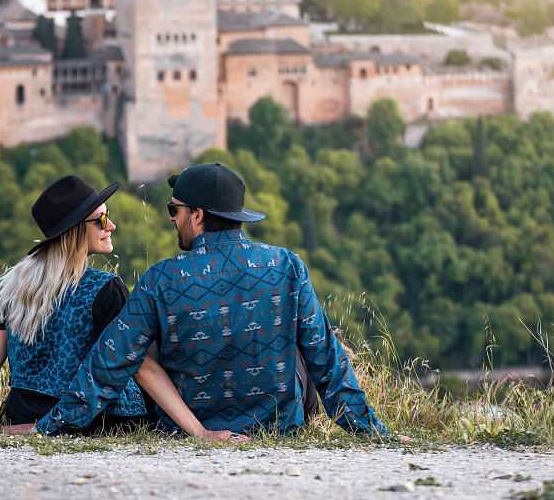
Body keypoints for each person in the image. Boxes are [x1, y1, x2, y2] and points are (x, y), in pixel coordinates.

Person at [34, 163, 390, 438]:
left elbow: (108, 363)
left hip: (190, 424)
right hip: (278, 427)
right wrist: (373, 432)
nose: (172, 219)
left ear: (198, 215)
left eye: (174, 211)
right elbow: (326, 359)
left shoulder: (161, 278)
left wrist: (49, 426)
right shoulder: (287, 265)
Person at [0, 175, 237, 440]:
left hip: (20, 416)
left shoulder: (14, 283)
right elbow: (142, 368)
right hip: (97, 421)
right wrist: (200, 432)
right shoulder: (104, 288)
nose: (111, 226)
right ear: (75, 231)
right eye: (101, 220)